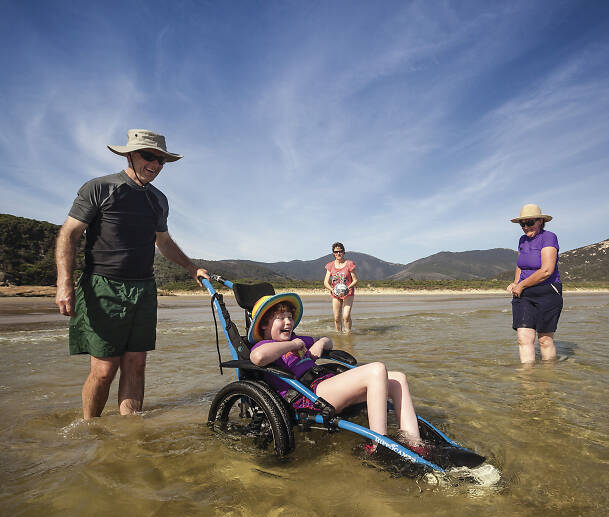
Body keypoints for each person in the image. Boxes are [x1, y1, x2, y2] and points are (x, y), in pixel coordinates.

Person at [55, 129, 209, 419]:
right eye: (148, 157)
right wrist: (64, 283)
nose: (155, 165)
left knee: (136, 364)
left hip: (144, 288)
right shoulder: (100, 187)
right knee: (103, 370)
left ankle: (129, 433)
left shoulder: (158, 200)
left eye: (161, 160)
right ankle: (90, 430)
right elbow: (69, 233)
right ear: (130, 154)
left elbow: (163, 242)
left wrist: (192, 268)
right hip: (103, 285)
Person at [248, 293, 422, 450]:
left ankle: (414, 442)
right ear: (264, 325)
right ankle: (379, 446)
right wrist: (293, 345)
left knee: (398, 378)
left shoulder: (296, 338)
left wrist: (319, 345)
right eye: (281, 318)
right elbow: (257, 357)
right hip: (307, 394)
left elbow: (327, 340)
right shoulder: (265, 345)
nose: (288, 322)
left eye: (290, 317)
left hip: (324, 383)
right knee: (376, 369)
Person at [506, 204, 563, 363]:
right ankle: (527, 381)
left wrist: (522, 285)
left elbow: (546, 271)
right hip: (524, 294)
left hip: (547, 291)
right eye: (522, 224)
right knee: (523, 339)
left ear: (540, 221)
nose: (525, 227)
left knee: (544, 340)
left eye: (529, 222)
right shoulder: (522, 240)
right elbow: (520, 264)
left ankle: (547, 377)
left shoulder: (549, 237)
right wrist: (516, 282)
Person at [323, 242, 358, 333]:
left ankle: (348, 334)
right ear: (333, 253)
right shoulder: (330, 265)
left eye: (340, 251)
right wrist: (332, 290)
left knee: (346, 316)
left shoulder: (349, 264)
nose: (338, 253)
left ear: (343, 252)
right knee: (337, 318)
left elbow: (355, 280)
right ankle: (339, 334)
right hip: (335, 294)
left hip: (348, 293)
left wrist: (348, 288)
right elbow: (325, 282)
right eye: (336, 251)